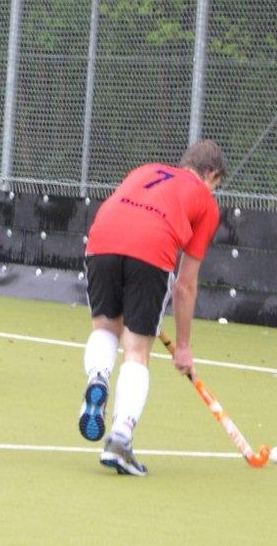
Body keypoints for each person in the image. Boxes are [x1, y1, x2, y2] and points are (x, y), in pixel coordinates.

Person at [78, 140, 227, 476]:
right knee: (136, 351)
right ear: (211, 174)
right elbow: (185, 285)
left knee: (106, 328)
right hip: (151, 251)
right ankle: (120, 439)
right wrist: (183, 347)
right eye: (216, 184)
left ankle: (98, 376)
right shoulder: (206, 202)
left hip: (101, 242)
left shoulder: (145, 170)